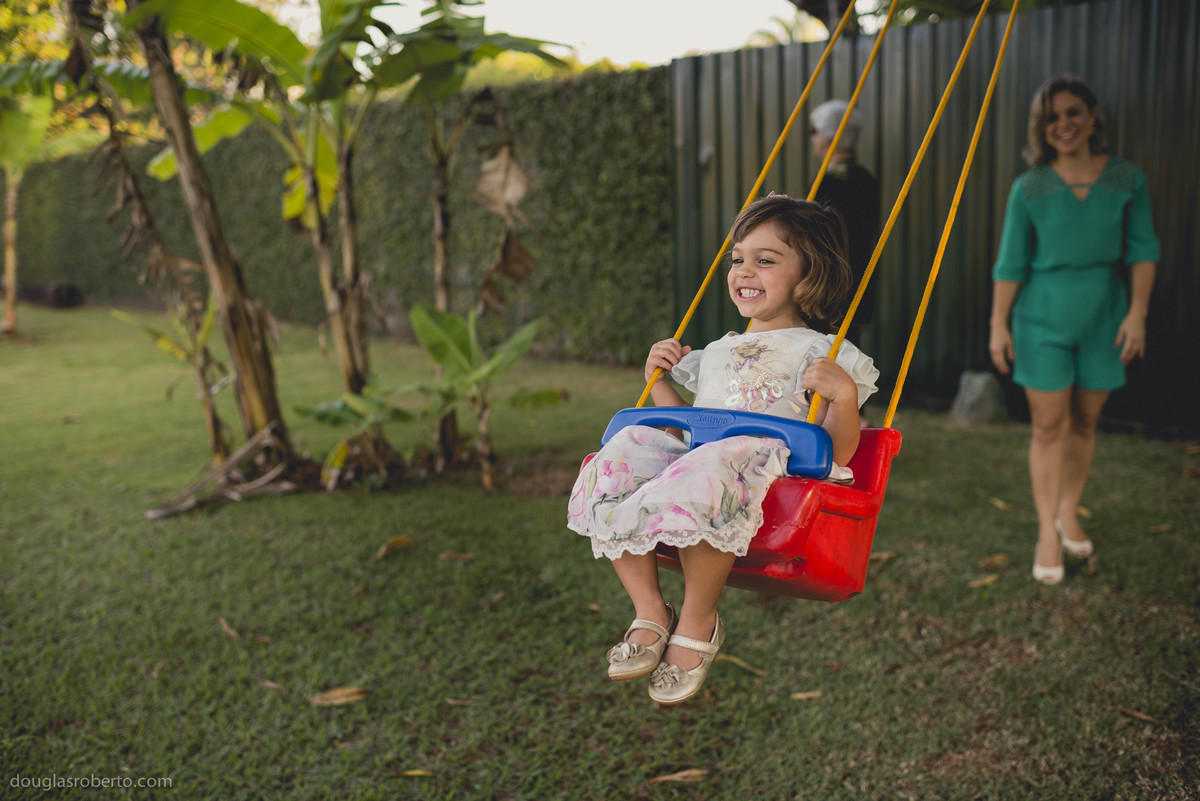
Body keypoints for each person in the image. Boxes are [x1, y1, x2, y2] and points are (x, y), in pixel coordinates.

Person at [567, 195, 879, 704]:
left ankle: (698, 619)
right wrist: (659, 383)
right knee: (622, 450)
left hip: (768, 472)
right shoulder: (716, 351)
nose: (744, 270)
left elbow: (837, 453)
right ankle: (650, 609)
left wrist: (843, 396)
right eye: (738, 258)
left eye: (766, 259)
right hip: (704, 463)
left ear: (808, 273)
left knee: (712, 463)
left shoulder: (824, 350)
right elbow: (684, 434)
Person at [988, 75, 1159, 585]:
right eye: (1052, 117)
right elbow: (1010, 264)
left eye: (1072, 112)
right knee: (1047, 427)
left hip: (1107, 316)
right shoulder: (1031, 186)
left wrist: (1138, 313)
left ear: (1092, 117)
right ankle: (1046, 529)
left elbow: (1144, 248)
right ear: (1042, 128)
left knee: (1085, 423)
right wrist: (999, 324)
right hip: (1041, 318)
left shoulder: (1127, 178)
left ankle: (1069, 509)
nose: (1062, 124)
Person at [808, 99, 881, 347]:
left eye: (814, 131)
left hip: (826, 291)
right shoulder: (867, 180)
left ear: (828, 136)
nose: (813, 139)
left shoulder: (826, 184)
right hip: (859, 285)